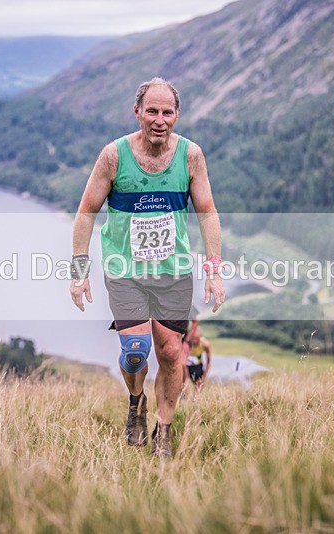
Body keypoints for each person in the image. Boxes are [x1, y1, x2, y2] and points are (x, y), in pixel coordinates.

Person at [69, 77, 225, 458]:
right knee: (136, 352)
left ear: (177, 114)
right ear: (137, 112)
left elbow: (206, 212)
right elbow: (87, 212)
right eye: (151, 111)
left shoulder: (191, 156)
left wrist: (214, 269)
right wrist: (78, 272)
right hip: (125, 272)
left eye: (167, 112)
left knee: (171, 353)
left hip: (173, 273)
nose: (159, 119)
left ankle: (164, 430)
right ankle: (136, 403)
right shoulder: (114, 156)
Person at [181, 326, 212, 399]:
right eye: (193, 339)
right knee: (185, 384)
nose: (195, 341)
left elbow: (208, 362)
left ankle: (195, 401)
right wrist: (186, 376)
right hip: (186, 366)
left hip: (198, 366)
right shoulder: (185, 344)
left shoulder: (204, 345)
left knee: (199, 385)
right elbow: (182, 362)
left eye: (197, 339)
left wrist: (203, 377)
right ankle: (184, 401)